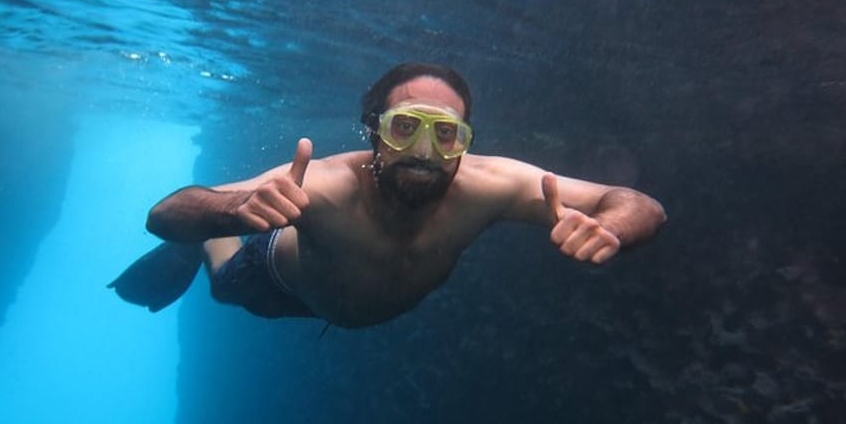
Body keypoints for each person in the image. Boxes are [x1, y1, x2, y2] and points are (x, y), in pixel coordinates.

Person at [109, 62, 666, 328]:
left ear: (465, 142)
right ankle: (210, 247)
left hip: (339, 303)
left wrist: (611, 227)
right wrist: (231, 211)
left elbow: (639, 203)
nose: (425, 150)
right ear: (373, 131)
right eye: (406, 128)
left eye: (446, 133)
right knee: (228, 294)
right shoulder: (325, 184)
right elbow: (166, 213)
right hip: (276, 280)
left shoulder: (493, 185)